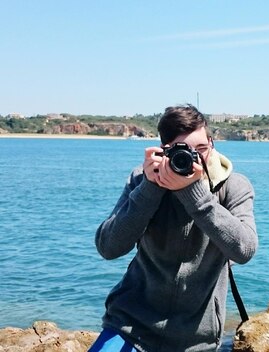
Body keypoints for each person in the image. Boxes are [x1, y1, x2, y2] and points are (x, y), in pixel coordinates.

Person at [90, 104, 258, 352]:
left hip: (197, 339)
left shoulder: (233, 186)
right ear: (164, 150)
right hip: (130, 325)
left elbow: (245, 250)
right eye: (183, 151)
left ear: (211, 142)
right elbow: (108, 247)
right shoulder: (143, 179)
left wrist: (196, 195)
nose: (195, 158)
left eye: (201, 148)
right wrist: (150, 187)